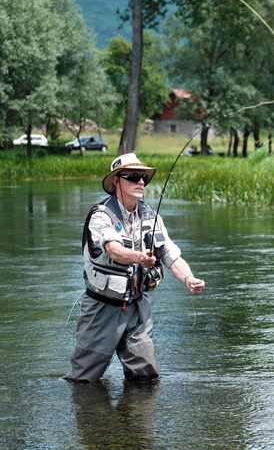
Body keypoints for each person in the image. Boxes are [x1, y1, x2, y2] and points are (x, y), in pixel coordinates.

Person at [66, 153, 205, 383]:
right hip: (102, 308)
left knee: (145, 379)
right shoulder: (101, 216)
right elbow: (113, 250)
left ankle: (138, 420)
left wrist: (188, 278)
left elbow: (170, 254)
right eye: (133, 176)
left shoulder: (152, 216)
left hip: (137, 307)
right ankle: (92, 418)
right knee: (83, 380)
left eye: (143, 178)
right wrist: (139, 257)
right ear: (116, 182)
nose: (140, 182)